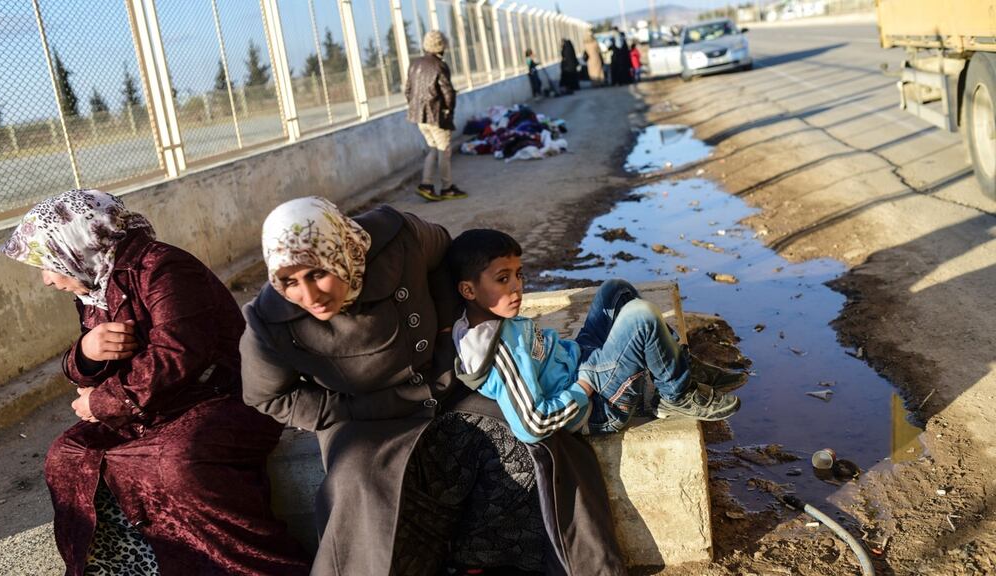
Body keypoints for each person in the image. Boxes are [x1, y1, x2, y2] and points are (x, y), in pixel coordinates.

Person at [240, 197, 626, 575]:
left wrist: (445, 334)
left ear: (342, 252)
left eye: (318, 274)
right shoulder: (269, 321)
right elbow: (267, 396)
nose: (309, 296)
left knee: (536, 445)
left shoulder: (395, 238)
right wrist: (350, 409)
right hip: (367, 419)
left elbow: (446, 256)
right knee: (362, 497)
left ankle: (494, 562)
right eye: (289, 282)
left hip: (446, 382)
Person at [1, 189, 311, 575]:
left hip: (221, 399)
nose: (48, 279)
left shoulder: (164, 269)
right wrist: (84, 354)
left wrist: (101, 404)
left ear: (74, 246)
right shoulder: (97, 279)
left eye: (49, 264)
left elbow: (176, 354)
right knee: (69, 455)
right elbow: (95, 361)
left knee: (170, 465)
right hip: (154, 407)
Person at [448, 229, 742, 443]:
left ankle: (679, 370)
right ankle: (676, 395)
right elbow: (532, 424)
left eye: (519, 274)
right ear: (468, 290)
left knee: (616, 291)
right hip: (599, 404)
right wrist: (584, 386)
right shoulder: (497, 352)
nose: (517, 287)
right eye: (503, 279)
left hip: (582, 360)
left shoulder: (489, 316)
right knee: (640, 316)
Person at [405, 30, 467, 202]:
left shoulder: (414, 64)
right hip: (436, 116)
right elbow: (448, 93)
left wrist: (416, 108)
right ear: (442, 46)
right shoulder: (439, 65)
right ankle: (447, 188)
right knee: (444, 151)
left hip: (419, 117)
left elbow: (408, 91)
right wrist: (448, 111)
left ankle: (426, 184)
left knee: (433, 148)